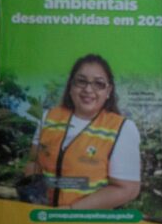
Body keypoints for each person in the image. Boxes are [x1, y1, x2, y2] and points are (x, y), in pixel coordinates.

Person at [24, 54, 141, 209]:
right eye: (81, 81)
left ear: (108, 91)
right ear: (71, 86)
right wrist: (35, 197)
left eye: (98, 84)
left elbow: (128, 189)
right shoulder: (48, 117)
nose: (88, 89)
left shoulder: (123, 128)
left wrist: (71, 211)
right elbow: (33, 162)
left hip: (88, 223)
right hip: (42, 216)